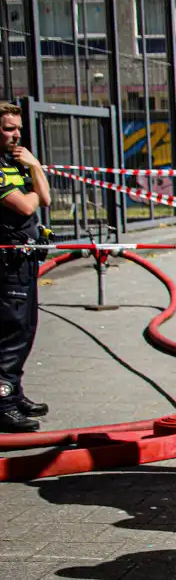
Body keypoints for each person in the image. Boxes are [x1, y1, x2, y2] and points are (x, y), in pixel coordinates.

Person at [0, 102, 50, 433]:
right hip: (6, 264)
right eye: (8, 128)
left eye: (18, 128)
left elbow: (44, 198)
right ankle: (2, 403)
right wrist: (34, 174)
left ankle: (13, 393)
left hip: (23, 261)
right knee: (10, 332)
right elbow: (25, 204)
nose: (16, 134)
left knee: (26, 327)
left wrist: (33, 167)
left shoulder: (15, 162)